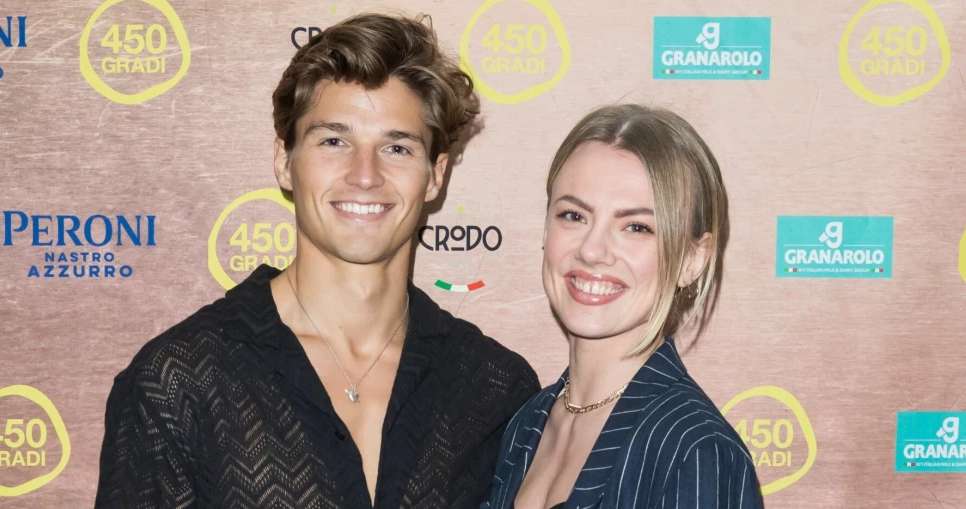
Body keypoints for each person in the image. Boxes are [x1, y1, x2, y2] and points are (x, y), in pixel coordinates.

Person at [95, 13, 540, 509]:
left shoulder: (493, 388)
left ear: (435, 175)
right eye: (334, 141)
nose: (365, 175)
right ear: (284, 162)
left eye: (396, 147)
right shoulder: (178, 383)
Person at [482, 105, 763, 509]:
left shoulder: (695, 452)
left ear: (692, 259)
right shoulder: (527, 423)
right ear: (545, 229)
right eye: (573, 215)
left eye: (636, 227)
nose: (592, 250)